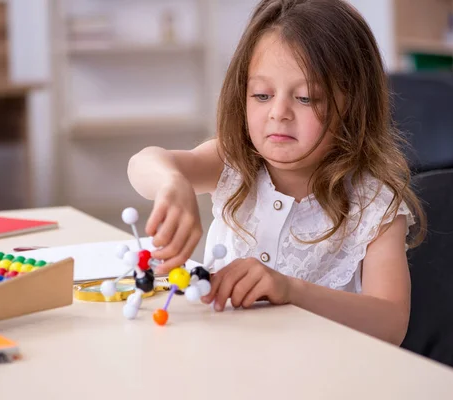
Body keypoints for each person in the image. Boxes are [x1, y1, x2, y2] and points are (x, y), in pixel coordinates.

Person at [127, 0, 426, 345]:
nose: (279, 112)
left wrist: (290, 290)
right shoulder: (235, 161)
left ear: (354, 108)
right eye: (262, 94)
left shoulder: (375, 203)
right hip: (227, 360)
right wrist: (173, 182)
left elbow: (390, 323)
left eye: (306, 98)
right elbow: (143, 163)